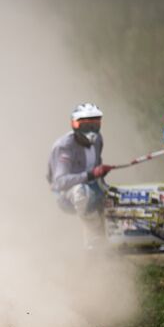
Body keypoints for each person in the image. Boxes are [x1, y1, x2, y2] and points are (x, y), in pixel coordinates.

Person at [47, 103, 113, 242]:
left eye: (95, 125)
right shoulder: (64, 147)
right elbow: (59, 182)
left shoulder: (98, 140)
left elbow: (97, 166)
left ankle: (117, 240)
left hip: (92, 186)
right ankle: (96, 234)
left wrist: (101, 176)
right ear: (74, 125)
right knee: (82, 192)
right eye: (85, 125)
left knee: (116, 197)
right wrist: (91, 174)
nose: (91, 130)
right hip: (66, 194)